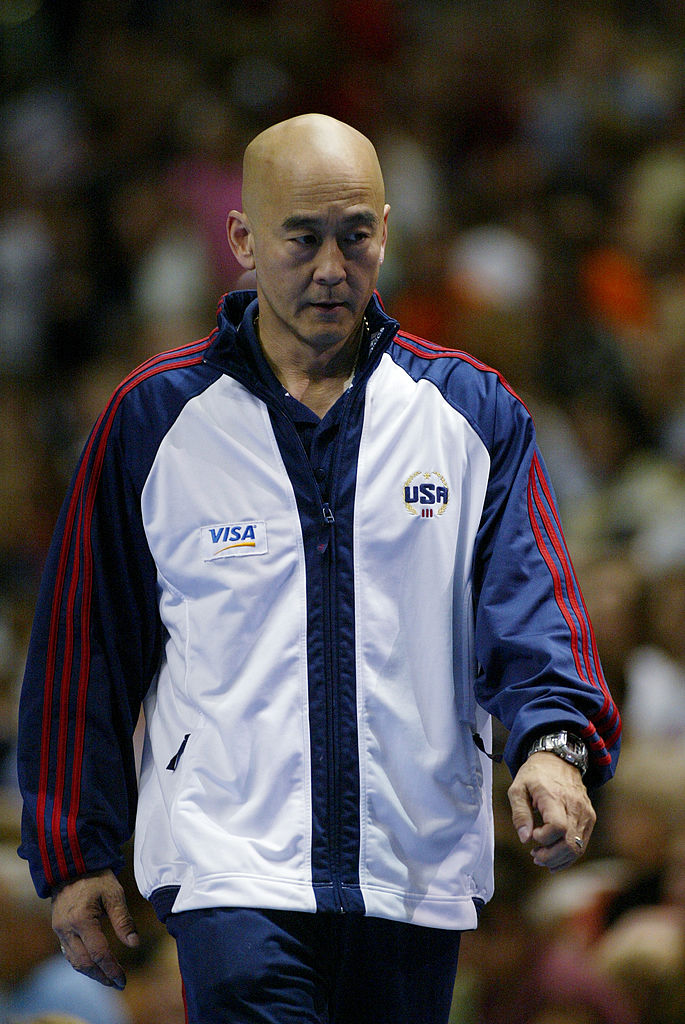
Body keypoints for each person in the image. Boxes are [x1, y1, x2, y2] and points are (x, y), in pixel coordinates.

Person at [17, 113, 621, 1024]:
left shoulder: (471, 413)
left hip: (413, 870)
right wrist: (74, 854)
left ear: (386, 229)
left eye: (355, 236)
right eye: (302, 239)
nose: (332, 268)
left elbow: (535, 610)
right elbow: (82, 657)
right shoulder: (154, 419)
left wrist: (554, 747)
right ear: (243, 240)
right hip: (229, 869)